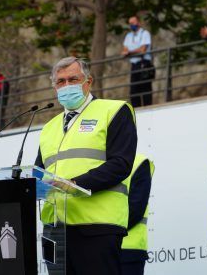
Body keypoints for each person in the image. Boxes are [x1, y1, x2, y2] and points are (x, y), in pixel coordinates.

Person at [35, 56, 137, 275]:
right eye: (60, 82)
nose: (66, 86)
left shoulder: (114, 111)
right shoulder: (48, 128)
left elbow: (121, 164)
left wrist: (74, 184)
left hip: (97, 226)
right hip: (55, 230)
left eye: (73, 79)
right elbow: (38, 174)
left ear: (88, 82)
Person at [121, 154, 154, 275]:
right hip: (96, 251)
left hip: (128, 253)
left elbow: (136, 209)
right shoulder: (93, 163)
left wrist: (106, 234)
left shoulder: (139, 163)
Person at [122, 15, 153, 107]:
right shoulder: (128, 36)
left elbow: (143, 50)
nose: (132, 25)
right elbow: (124, 50)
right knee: (134, 90)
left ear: (138, 22)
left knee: (145, 88)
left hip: (144, 64)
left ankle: (148, 108)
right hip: (134, 65)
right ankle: (136, 110)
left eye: (133, 22)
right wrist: (134, 51)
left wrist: (130, 52)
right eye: (130, 23)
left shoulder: (145, 33)